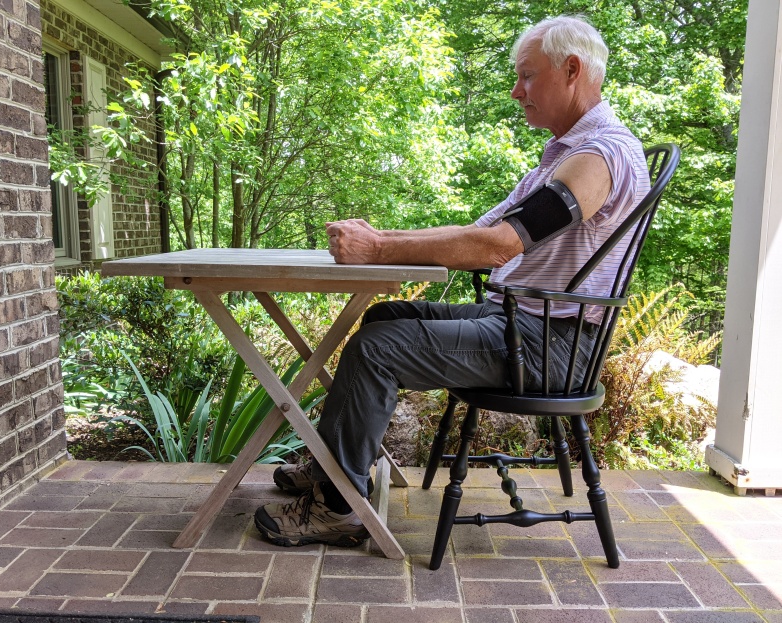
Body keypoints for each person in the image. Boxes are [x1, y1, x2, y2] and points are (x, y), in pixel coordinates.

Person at [254, 14, 651, 548]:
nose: (516, 92)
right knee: (384, 317)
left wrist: (378, 250)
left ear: (572, 70)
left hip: (548, 345)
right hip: (522, 325)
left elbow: (499, 246)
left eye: (527, 76)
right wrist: (380, 238)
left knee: (376, 348)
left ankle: (338, 507)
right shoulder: (568, 154)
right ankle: (337, 466)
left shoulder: (599, 158)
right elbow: (480, 231)